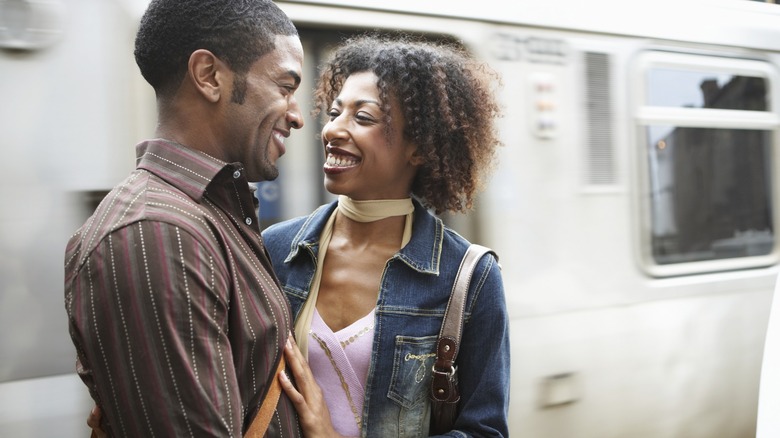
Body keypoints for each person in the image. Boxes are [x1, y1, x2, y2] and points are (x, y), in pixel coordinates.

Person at [64, 0, 306, 436]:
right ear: (209, 76)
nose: (297, 115)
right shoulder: (157, 233)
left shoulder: (205, 216)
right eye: (285, 87)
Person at [264, 34, 510, 437]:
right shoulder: (276, 249)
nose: (333, 130)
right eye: (334, 112)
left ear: (419, 148)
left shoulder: (469, 277)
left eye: (363, 118)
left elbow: (485, 431)